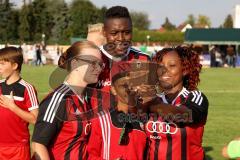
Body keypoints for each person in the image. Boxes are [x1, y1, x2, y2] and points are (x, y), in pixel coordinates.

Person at [32, 41, 104, 160]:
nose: (98, 68)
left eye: (100, 64)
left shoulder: (85, 99)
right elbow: (38, 144)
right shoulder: (59, 99)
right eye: (93, 63)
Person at [146, 46, 209, 160]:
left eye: (172, 66)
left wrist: (151, 104)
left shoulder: (195, 97)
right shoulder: (153, 98)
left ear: (185, 70)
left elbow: (185, 115)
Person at [87, 5, 150, 112]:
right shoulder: (92, 59)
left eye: (127, 32)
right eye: (114, 33)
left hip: (131, 125)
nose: (121, 39)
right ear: (104, 32)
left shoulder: (143, 59)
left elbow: (149, 104)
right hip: (96, 126)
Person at [87, 62, 147, 160]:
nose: (129, 90)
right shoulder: (101, 120)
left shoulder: (145, 122)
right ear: (113, 90)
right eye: (124, 86)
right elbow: (89, 155)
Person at [0, 47, 39, 160]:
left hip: (18, 148)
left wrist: (13, 107)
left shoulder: (27, 88)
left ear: (14, 66)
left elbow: (35, 119)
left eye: (2, 64)